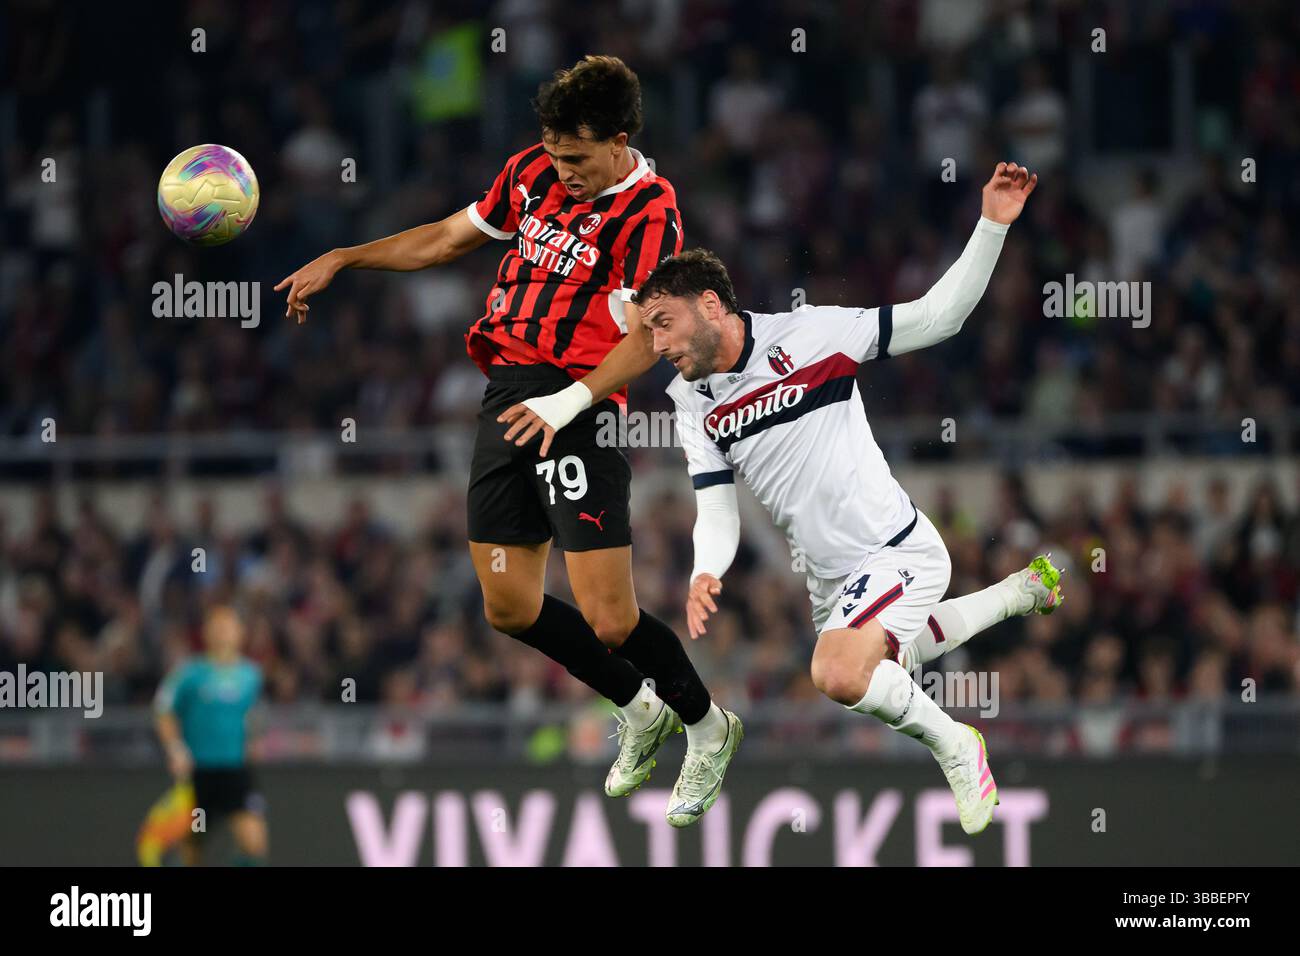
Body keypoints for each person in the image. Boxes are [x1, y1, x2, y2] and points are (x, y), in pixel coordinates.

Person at [274, 56, 737, 825]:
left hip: (581, 404)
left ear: (620, 142)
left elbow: (648, 336)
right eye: (556, 155)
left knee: (611, 620)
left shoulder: (651, 212)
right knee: (510, 605)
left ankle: (707, 725)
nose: (565, 172)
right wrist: (347, 258)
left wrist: (569, 402)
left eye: (579, 159)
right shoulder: (531, 171)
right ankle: (639, 709)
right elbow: (450, 237)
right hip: (508, 397)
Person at [637, 163, 1063, 835]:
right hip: (828, 579)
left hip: (896, 551)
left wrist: (990, 226)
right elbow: (714, 507)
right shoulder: (692, 402)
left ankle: (958, 746)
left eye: (662, 323)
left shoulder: (811, 334)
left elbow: (940, 317)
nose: (655, 345)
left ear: (710, 305)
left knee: (838, 672)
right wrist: (704, 570)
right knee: (883, 661)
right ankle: (1017, 593)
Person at [154, 606, 267, 863]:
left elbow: (254, 715)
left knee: (254, 843)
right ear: (206, 633)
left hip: (235, 770)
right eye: (217, 627)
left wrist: (254, 739)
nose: (223, 633)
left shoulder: (251, 675)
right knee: (193, 846)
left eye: (228, 626)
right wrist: (175, 748)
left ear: (241, 633)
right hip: (198, 772)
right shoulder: (189, 674)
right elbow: (163, 710)